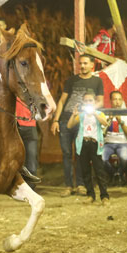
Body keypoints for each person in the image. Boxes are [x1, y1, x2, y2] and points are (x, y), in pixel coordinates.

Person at [50, 54, 104, 197]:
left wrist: (89, 111)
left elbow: (100, 101)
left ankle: (81, 185)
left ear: (92, 65)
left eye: (85, 63)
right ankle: (68, 186)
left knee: (81, 154)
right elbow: (62, 101)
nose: (82, 66)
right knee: (67, 154)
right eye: (80, 63)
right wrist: (55, 120)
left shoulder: (97, 81)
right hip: (66, 120)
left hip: (83, 121)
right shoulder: (72, 80)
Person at [67, 91, 110, 205]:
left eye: (90, 100)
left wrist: (94, 113)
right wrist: (73, 114)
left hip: (95, 144)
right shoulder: (81, 115)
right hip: (83, 144)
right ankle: (90, 195)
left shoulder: (99, 113)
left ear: (94, 102)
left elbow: (105, 123)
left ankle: (104, 196)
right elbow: (69, 125)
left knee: (99, 170)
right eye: (85, 101)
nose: (88, 102)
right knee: (85, 171)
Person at [102, 91, 127, 186]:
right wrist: (109, 121)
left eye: (119, 99)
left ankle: (119, 174)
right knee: (102, 158)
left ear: (122, 101)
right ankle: (114, 174)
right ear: (110, 101)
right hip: (108, 143)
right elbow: (102, 134)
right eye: (115, 99)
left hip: (123, 143)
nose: (117, 102)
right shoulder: (105, 114)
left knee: (125, 158)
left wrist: (121, 121)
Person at [16, 98, 39, 190]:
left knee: (31, 161)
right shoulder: (13, 92)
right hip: (15, 126)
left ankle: (30, 188)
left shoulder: (32, 94)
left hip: (30, 127)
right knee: (15, 160)